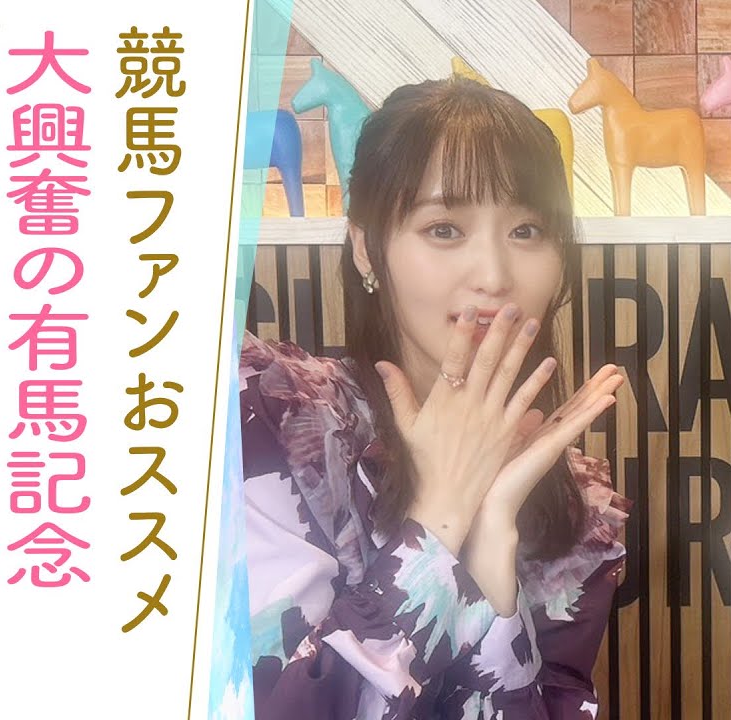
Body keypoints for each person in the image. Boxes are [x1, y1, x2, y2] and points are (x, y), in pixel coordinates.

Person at [239, 76, 629, 720]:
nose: (495, 276)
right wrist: (441, 521)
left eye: (528, 230)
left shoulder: (578, 507)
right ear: (367, 247)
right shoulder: (276, 418)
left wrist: (493, 542)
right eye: (444, 228)